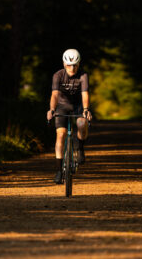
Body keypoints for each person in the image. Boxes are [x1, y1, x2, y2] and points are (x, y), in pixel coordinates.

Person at [47, 49, 93, 184]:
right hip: (62, 105)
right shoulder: (58, 75)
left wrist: (85, 109)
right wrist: (52, 109)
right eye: (69, 65)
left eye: (75, 65)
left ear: (79, 64)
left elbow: (85, 94)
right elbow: (54, 94)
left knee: (81, 124)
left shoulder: (83, 75)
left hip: (78, 105)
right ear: (64, 64)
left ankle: (80, 147)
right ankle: (59, 170)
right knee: (60, 135)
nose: (72, 68)